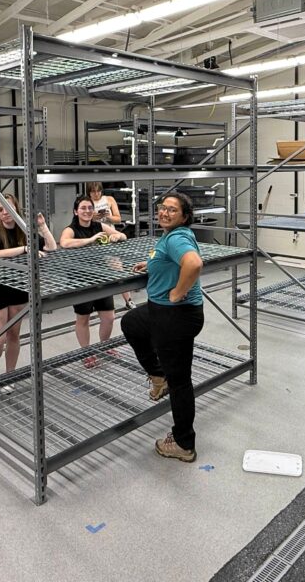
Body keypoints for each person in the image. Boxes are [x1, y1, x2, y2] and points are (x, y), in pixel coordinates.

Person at [121, 191, 204, 463]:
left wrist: (178, 292)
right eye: (162, 208)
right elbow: (173, 259)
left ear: (184, 216)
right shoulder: (170, 238)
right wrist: (154, 264)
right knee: (131, 322)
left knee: (180, 381)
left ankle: (183, 443)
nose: (164, 213)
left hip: (174, 316)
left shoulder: (177, 237)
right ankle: (159, 376)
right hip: (165, 314)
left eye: (172, 210)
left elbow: (193, 263)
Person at [0, 194, 56, 379]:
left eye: (9, 208)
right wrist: (25, 249)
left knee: (14, 335)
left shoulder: (25, 231)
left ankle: (9, 375)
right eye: (0, 210)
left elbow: (52, 248)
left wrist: (42, 226)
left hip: (18, 287)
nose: (5, 213)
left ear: (16, 208)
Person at [59, 195, 127, 367]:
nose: (87, 211)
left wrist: (116, 237)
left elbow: (123, 236)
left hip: (100, 277)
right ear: (76, 211)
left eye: (90, 208)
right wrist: (90, 240)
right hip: (80, 280)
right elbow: (64, 243)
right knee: (83, 318)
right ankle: (87, 352)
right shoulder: (71, 229)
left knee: (109, 317)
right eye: (83, 208)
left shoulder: (99, 225)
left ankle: (104, 346)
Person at [87, 181, 135, 310]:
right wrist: (92, 217)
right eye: (93, 191)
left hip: (110, 237)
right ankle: (95, 302)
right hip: (92, 240)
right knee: (95, 272)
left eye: (98, 191)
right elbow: (80, 218)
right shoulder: (86, 202)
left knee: (118, 268)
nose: (96, 194)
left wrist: (108, 217)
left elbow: (118, 218)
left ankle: (128, 300)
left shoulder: (109, 199)